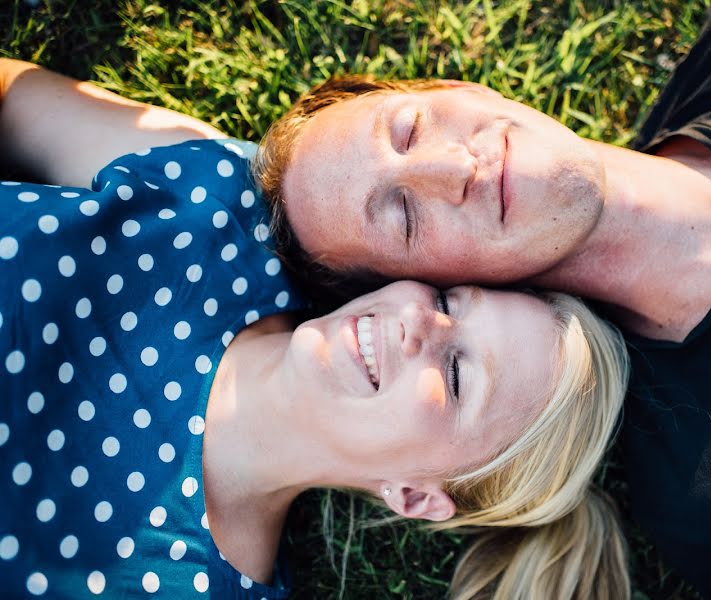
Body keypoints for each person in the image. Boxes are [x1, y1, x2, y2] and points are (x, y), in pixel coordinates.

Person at [249, 0, 711, 598]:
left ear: (460, 90)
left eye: (409, 129)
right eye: (403, 218)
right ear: (424, 292)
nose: (451, 168)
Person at [0, 61, 631, 598]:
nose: (417, 321)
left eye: (459, 374)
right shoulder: (225, 211)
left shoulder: (185, 582)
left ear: (415, 496)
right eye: (446, 300)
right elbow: (15, 100)